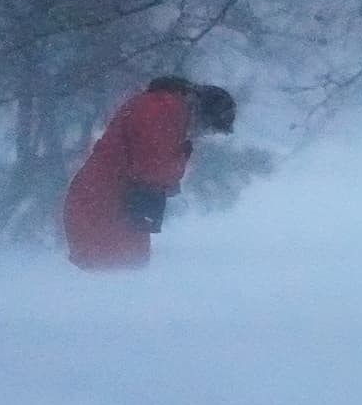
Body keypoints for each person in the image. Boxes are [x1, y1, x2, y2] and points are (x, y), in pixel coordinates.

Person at [63, 76, 236, 270]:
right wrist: (182, 155)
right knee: (114, 275)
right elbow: (153, 168)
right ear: (200, 112)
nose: (202, 134)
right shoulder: (162, 110)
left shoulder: (165, 110)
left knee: (124, 274)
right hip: (102, 204)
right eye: (207, 129)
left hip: (113, 203)